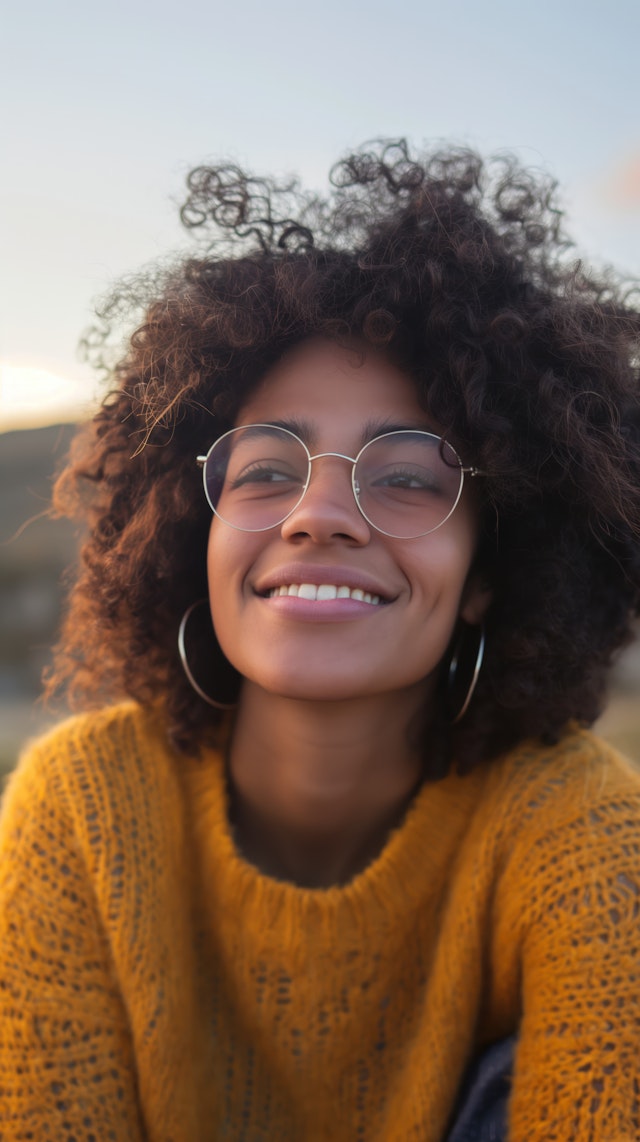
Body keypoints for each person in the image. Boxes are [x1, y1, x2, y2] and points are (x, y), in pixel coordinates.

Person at [1, 140, 639, 1142]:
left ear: (484, 577)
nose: (317, 514)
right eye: (264, 469)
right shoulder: (83, 810)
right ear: (191, 529)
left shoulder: (576, 828)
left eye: (408, 476)